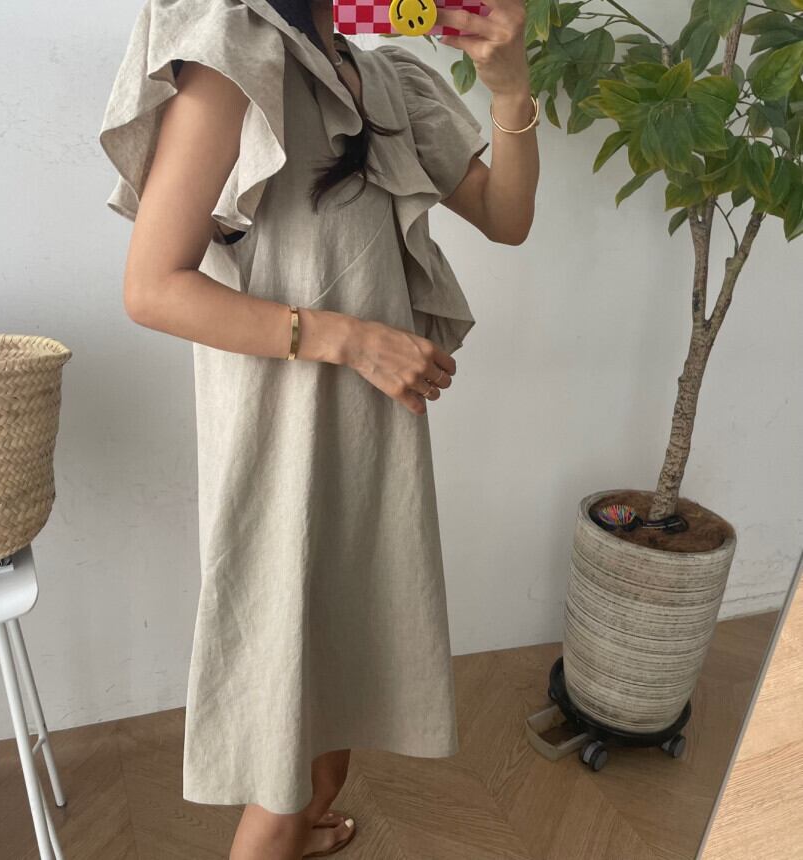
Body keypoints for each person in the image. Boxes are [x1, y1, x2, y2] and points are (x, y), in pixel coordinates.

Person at [99, 0, 538, 855]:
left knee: (332, 714)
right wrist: (355, 340)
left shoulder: (383, 79)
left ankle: (296, 831)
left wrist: (511, 90)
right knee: (284, 756)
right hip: (278, 445)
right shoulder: (237, 55)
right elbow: (152, 288)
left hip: (372, 440)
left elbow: (506, 217)